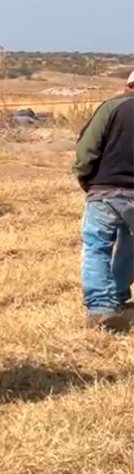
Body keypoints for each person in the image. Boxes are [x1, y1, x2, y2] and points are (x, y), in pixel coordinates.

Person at [73, 70, 134, 332]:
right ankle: (118, 298)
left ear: (128, 85)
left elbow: (87, 148)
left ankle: (101, 307)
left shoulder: (111, 107)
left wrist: (85, 178)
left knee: (97, 247)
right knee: (131, 248)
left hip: (105, 190)